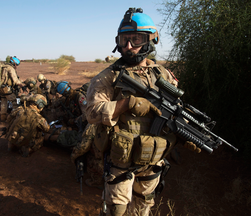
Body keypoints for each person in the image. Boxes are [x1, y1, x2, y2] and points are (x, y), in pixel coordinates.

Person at [85, 8, 200, 216]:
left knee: (142, 208)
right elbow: (91, 112)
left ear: (150, 40)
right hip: (121, 159)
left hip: (153, 158)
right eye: (123, 40)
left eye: (135, 39)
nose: (128, 46)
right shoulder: (107, 77)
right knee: (116, 211)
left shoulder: (162, 74)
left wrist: (185, 132)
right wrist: (126, 104)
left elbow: (174, 109)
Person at [0, 56, 24, 121]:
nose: (17, 66)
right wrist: (21, 85)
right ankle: (14, 117)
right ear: (14, 63)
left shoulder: (2, 66)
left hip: (0, 88)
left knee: (3, 101)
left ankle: (3, 117)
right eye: (17, 64)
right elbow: (15, 79)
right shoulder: (10, 68)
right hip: (6, 89)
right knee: (14, 101)